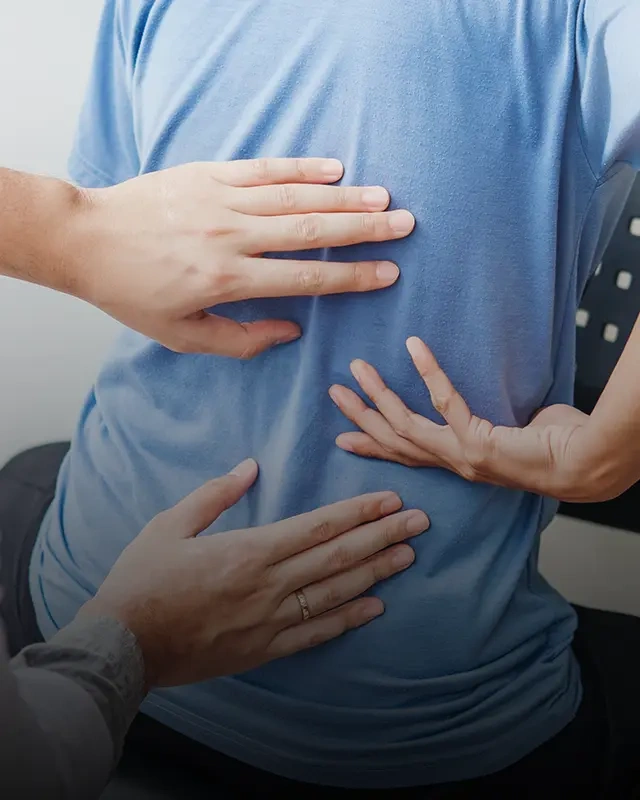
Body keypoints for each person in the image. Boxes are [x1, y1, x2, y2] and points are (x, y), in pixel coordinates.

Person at [20, 0, 640, 796]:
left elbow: (114, 220)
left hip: (83, 595)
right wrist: (608, 454)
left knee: (31, 475)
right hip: (407, 725)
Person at [0, 158, 422, 798]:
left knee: (30, 473)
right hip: (88, 665)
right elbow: (32, 769)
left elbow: (110, 194)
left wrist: (68, 228)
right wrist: (132, 641)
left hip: (70, 582)